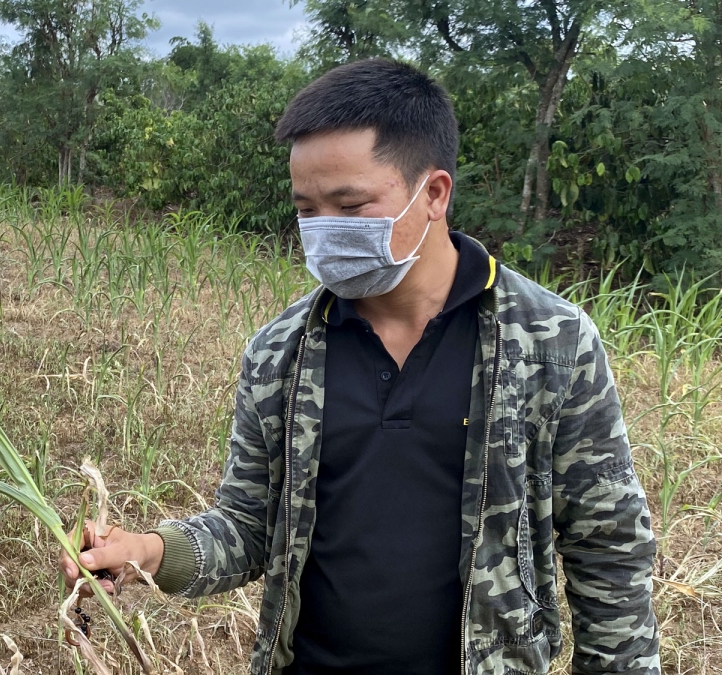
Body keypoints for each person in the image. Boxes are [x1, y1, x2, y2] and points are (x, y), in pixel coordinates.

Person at [59, 58, 659, 675]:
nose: (324, 231)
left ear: (433, 193)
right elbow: (249, 525)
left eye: (350, 206)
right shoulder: (280, 354)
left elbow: (607, 541)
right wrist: (149, 552)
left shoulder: (550, 342)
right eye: (306, 209)